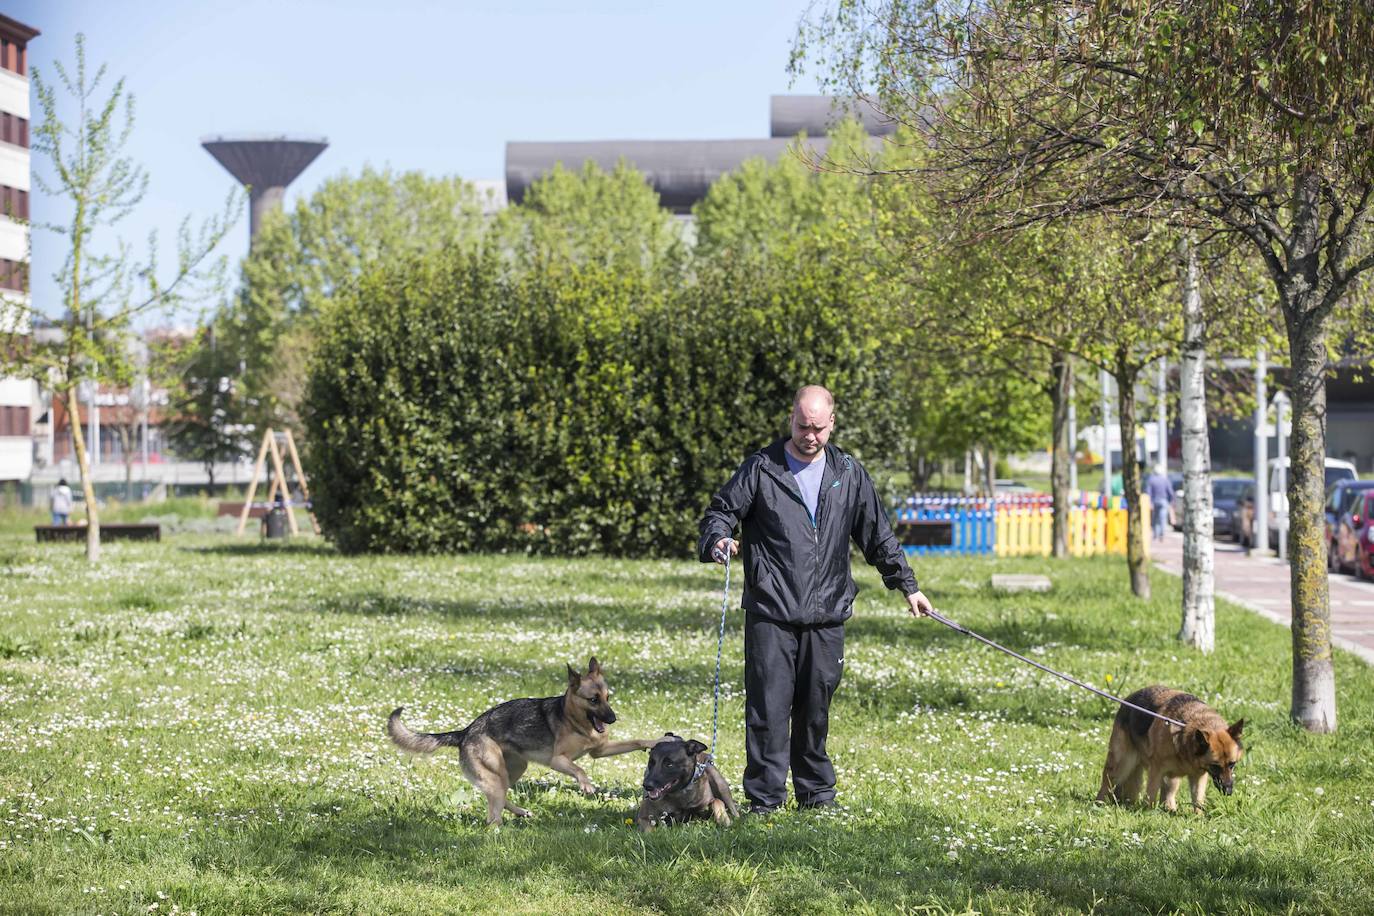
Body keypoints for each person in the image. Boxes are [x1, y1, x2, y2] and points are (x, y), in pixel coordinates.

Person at [697, 385, 933, 815]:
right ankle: (765, 800)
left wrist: (908, 585)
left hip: (827, 613)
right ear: (791, 420)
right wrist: (718, 540)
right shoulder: (762, 468)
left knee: (815, 708)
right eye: (802, 426)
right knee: (767, 709)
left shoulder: (848, 472)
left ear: (832, 424)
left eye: (818, 428)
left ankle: (816, 796)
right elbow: (720, 512)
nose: (810, 435)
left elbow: (876, 534)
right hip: (771, 610)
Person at [1144, 463, 1174, 541]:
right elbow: (1170, 492)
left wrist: (1149, 502)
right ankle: (1162, 534)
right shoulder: (1165, 479)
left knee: (1155, 518)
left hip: (1154, 501)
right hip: (1163, 501)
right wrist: (1171, 500)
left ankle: (1155, 534)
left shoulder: (1151, 479)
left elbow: (1148, 492)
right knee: (1162, 518)